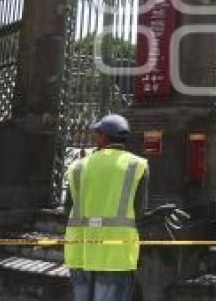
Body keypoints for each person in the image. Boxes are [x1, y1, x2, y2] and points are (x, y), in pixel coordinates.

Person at [64, 114, 148, 301]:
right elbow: (139, 212)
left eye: (97, 133)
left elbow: (66, 209)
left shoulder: (77, 167)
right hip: (116, 255)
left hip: (80, 250)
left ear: (103, 136)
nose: (95, 136)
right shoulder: (137, 166)